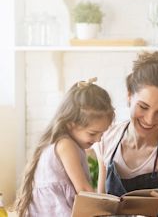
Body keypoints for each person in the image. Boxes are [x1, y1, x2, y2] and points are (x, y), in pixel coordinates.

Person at [94, 51, 158, 217]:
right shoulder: (107, 138)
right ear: (129, 95)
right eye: (143, 107)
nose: (150, 120)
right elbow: (101, 208)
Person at [13, 78, 115, 217]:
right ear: (70, 124)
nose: (98, 139)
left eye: (102, 133)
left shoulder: (62, 143)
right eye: (92, 133)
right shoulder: (66, 145)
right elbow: (83, 189)